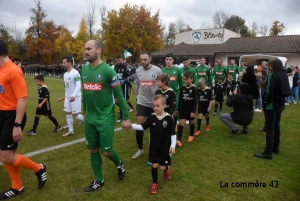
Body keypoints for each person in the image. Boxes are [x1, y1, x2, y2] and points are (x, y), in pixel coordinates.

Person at [81, 40, 131, 192]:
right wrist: (84, 111)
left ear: (99, 51)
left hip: (105, 117)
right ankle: (99, 180)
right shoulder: (84, 70)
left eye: (89, 49)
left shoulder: (108, 71)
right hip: (90, 118)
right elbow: (85, 93)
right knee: (93, 150)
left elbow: (119, 95)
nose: (86, 51)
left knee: (106, 151)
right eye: (85, 49)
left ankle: (119, 163)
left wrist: (126, 117)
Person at [0, 39, 47, 200]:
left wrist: (17, 124)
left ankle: (39, 168)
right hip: (1, 114)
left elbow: (23, 99)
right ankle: (17, 186)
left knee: (6, 155)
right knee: (3, 152)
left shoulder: (13, 70)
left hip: (13, 116)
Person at [130, 94, 176, 195]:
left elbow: (173, 134)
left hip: (164, 148)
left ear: (164, 105)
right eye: (154, 106)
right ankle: (155, 183)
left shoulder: (169, 118)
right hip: (153, 147)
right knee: (154, 165)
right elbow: (142, 127)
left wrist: (172, 146)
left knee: (162, 167)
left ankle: (166, 168)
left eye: (157, 106)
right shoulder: (151, 117)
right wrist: (131, 126)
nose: (155, 108)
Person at [254, 58, 290, 159]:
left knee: (270, 128)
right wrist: (260, 78)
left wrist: (265, 102)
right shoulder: (283, 74)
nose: (268, 67)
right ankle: (275, 148)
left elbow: (268, 90)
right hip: (280, 104)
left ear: (272, 66)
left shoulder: (272, 75)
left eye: (269, 65)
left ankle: (267, 152)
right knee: (276, 126)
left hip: (272, 104)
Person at [132, 52, 162, 160]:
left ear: (150, 59)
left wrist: (159, 101)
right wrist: (138, 97)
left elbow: (161, 84)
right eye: (141, 60)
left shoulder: (157, 70)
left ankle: (153, 148)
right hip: (141, 101)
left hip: (153, 103)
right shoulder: (138, 70)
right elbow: (138, 85)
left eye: (145, 59)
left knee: (154, 126)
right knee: (139, 124)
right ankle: (140, 149)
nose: (143, 62)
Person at [58, 56, 84, 137]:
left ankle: (88, 121)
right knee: (67, 113)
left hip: (75, 97)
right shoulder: (65, 74)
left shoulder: (75, 73)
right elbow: (67, 87)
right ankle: (71, 131)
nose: (63, 64)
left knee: (75, 115)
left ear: (69, 63)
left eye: (64, 62)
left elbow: (78, 85)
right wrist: (65, 97)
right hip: (67, 97)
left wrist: (73, 95)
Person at [176, 71, 198, 145]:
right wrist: (178, 109)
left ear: (191, 79)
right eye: (184, 79)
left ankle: (191, 135)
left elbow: (195, 101)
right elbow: (180, 99)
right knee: (181, 123)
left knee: (191, 122)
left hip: (190, 109)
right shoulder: (182, 88)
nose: (185, 81)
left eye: (187, 79)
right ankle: (179, 139)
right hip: (183, 108)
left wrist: (193, 111)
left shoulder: (194, 89)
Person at [114, 54, 134, 122]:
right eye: (116, 60)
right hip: (116, 85)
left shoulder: (126, 67)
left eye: (119, 60)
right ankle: (125, 108)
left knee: (121, 100)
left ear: (122, 60)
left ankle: (121, 117)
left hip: (124, 86)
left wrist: (124, 80)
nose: (117, 61)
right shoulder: (115, 66)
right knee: (115, 100)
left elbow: (131, 75)